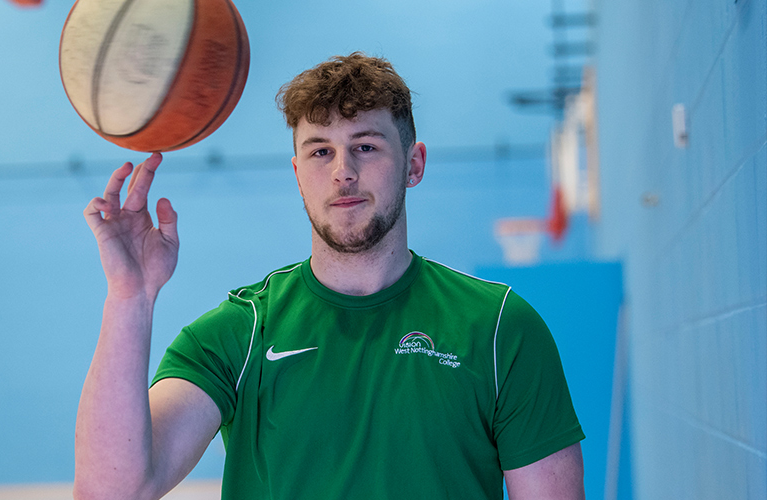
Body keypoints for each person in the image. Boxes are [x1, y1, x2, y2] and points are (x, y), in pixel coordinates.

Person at [74, 53, 585, 500]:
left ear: (414, 163)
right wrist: (129, 296)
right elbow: (111, 491)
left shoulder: (500, 329)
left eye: (365, 146)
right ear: (298, 172)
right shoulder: (239, 335)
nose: (343, 171)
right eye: (320, 151)